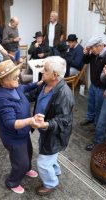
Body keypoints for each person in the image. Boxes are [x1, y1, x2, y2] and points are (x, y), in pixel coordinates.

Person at [0, 60, 44, 194]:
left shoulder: (14, 86)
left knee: (29, 153)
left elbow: (25, 87)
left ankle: (26, 170)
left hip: (23, 133)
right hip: (13, 137)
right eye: (14, 77)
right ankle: (12, 182)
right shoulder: (2, 99)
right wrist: (31, 120)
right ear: (3, 81)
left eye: (17, 75)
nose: (18, 79)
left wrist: (40, 82)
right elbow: (11, 123)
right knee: (20, 162)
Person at [27, 56, 74, 196]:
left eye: (45, 69)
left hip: (55, 133)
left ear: (55, 75)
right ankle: (56, 171)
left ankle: (50, 183)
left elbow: (63, 121)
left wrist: (46, 124)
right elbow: (32, 95)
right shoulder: (45, 84)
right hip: (45, 130)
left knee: (43, 162)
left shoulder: (64, 94)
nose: (42, 71)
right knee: (49, 153)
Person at [80, 36, 106, 129]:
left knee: (98, 107)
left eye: (92, 48)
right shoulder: (94, 53)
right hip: (93, 84)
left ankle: (96, 124)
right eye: (90, 48)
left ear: (100, 46)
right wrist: (86, 54)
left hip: (102, 87)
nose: (91, 50)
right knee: (91, 103)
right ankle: (90, 118)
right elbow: (85, 61)